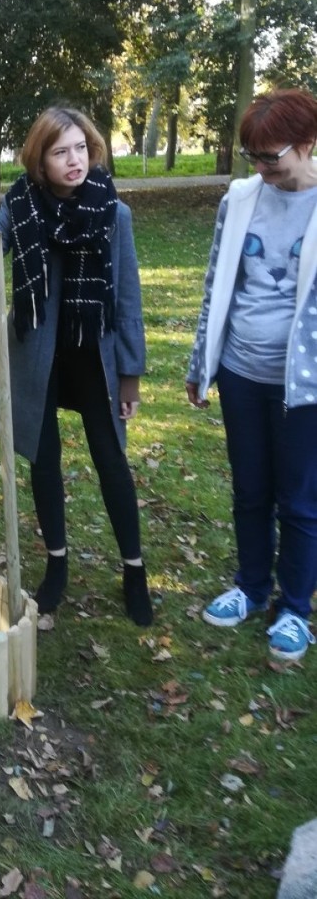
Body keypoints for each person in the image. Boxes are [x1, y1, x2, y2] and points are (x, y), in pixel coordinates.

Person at [0, 106, 152, 625]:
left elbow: (127, 298)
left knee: (111, 459)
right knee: (44, 460)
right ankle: (56, 565)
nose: (74, 159)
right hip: (38, 357)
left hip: (94, 356)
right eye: (61, 151)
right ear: (40, 159)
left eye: (81, 148)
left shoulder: (113, 212)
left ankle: (134, 570)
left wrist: (129, 375)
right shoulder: (21, 208)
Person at [186, 87, 317, 663]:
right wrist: (201, 363)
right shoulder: (239, 199)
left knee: (300, 500)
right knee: (250, 491)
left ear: (309, 144)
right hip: (241, 371)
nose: (263, 169)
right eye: (254, 157)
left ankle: (294, 611)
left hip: (304, 386)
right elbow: (217, 283)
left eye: (273, 157)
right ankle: (250, 586)